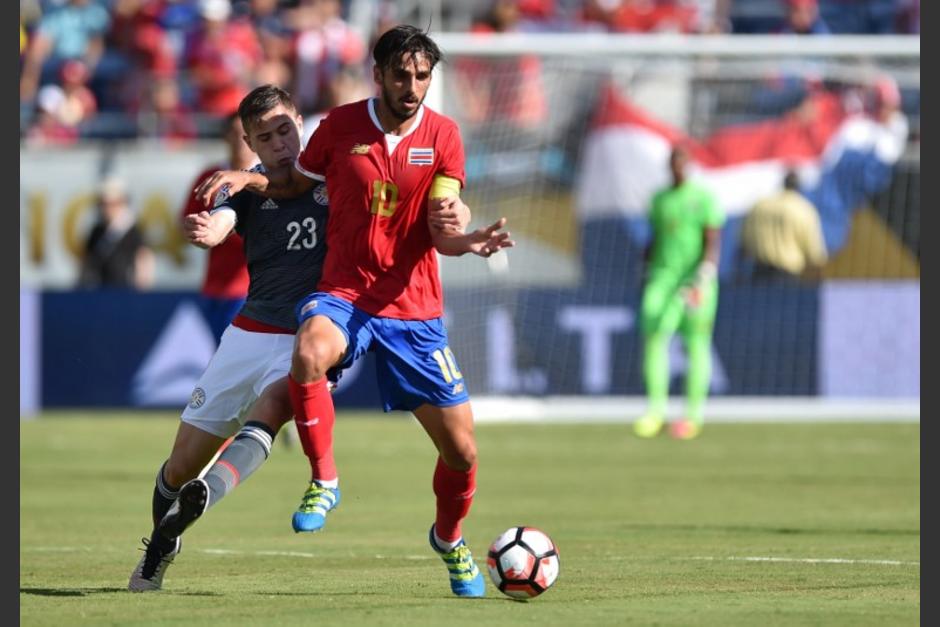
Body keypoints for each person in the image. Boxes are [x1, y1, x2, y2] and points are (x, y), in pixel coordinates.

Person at [192, 25, 514, 598]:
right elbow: (293, 186)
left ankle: (449, 538)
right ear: (379, 74)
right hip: (343, 291)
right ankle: (325, 480)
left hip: (413, 308)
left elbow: (445, 220)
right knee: (309, 349)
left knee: (462, 453)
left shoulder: (444, 135)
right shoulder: (338, 128)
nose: (411, 86)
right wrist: (247, 178)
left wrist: (467, 240)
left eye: (421, 76)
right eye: (401, 74)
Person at [128, 84, 330, 592]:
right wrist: (211, 229)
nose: (280, 142)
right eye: (266, 136)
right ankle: (160, 546)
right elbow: (222, 223)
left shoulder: (333, 176)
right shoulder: (240, 189)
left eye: (285, 129)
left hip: (308, 335)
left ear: (301, 122)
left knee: (270, 412)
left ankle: (206, 496)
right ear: (249, 142)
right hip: (246, 334)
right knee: (178, 468)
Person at [633, 146, 724, 441]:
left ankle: (692, 417)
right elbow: (656, 237)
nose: (679, 170)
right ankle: (655, 412)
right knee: (654, 337)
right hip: (662, 278)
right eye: (674, 165)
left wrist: (706, 272)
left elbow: (711, 239)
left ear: (690, 166)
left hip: (694, 281)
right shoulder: (660, 199)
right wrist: (645, 268)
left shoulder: (703, 198)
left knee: (697, 343)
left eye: (683, 165)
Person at [180, 112, 256, 343]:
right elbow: (187, 219)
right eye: (233, 134)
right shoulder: (210, 176)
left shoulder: (264, 180)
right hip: (213, 287)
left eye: (245, 135)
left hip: (249, 289)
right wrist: (197, 230)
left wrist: (221, 231)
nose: (239, 141)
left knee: (236, 356)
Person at [741, 170, 828, 282]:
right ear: (799, 186)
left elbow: (743, 243)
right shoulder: (803, 209)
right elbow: (815, 254)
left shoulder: (760, 205)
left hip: (758, 272)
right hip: (787, 277)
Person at [78, 177, 154, 290]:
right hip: (100, 293)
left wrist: (141, 291)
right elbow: (86, 263)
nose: (107, 209)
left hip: (126, 294)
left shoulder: (133, 230)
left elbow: (144, 260)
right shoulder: (96, 232)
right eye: (103, 204)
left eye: (111, 204)